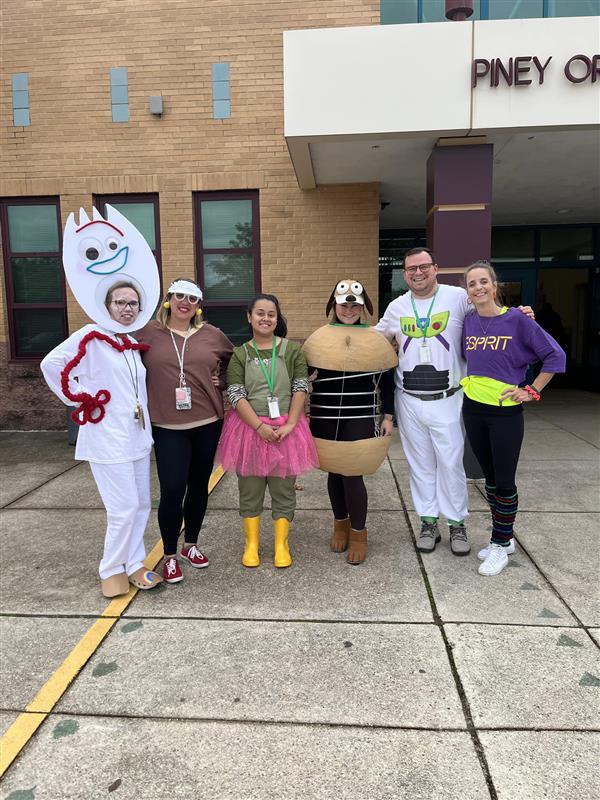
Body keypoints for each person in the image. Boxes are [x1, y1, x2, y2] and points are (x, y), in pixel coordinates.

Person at [374, 247, 533, 557]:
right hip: (409, 399)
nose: (417, 273)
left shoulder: (457, 297)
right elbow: (375, 339)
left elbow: (491, 312)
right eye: (410, 269)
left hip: (449, 398)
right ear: (405, 274)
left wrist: (519, 317)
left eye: (423, 267)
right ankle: (428, 522)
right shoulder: (397, 306)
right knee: (420, 466)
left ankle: (457, 524)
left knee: (451, 465)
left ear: (435, 268)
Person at [41, 281, 162, 597]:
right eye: (120, 302)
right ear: (107, 306)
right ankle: (111, 569)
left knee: (141, 504)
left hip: (136, 435)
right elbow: (51, 364)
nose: (127, 308)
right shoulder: (90, 337)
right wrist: (83, 397)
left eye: (133, 303)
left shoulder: (129, 342)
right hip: (108, 438)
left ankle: (134, 563)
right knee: (123, 507)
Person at [461, 261, 566, 576]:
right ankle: (503, 539)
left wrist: (532, 391)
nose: (478, 288)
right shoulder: (467, 321)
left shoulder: (519, 320)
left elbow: (555, 356)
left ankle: (499, 543)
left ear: (494, 285)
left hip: (505, 413)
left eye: (483, 281)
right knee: (490, 480)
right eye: (471, 284)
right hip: (473, 408)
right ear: (467, 293)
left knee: (504, 481)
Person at [136, 279, 233, 585]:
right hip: (167, 426)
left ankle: (191, 544)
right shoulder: (148, 332)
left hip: (207, 422)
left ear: (198, 304)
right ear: (168, 299)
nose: (184, 302)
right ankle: (169, 555)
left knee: (198, 485)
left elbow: (234, 361)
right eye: (179, 295)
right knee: (173, 488)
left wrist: (225, 381)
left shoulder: (212, 335)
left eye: (192, 298)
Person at [216, 294, 318, 568]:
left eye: (271, 314)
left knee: (284, 488)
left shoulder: (292, 350)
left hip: (287, 429)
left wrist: (291, 424)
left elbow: (300, 387)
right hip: (250, 429)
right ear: (249, 317)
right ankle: (251, 544)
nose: (265, 318)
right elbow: (235, 393)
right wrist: (259, 426)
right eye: (259, 313)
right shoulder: (241, 353)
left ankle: (280, 544)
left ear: (277, 318)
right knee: (250, 488)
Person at [303, 279, 396, 565]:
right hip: (325, 414)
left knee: (352, 472)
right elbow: (302, 374)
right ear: (334, 306)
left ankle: (358, 532)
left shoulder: (374, 339)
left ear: (363, 307)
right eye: (344, 304)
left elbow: (388, 382)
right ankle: (339, 524)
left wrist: (389, 416)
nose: (349, 309)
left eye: (354, 305)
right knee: (333, 471)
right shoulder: (319, 338)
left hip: (360, 413)